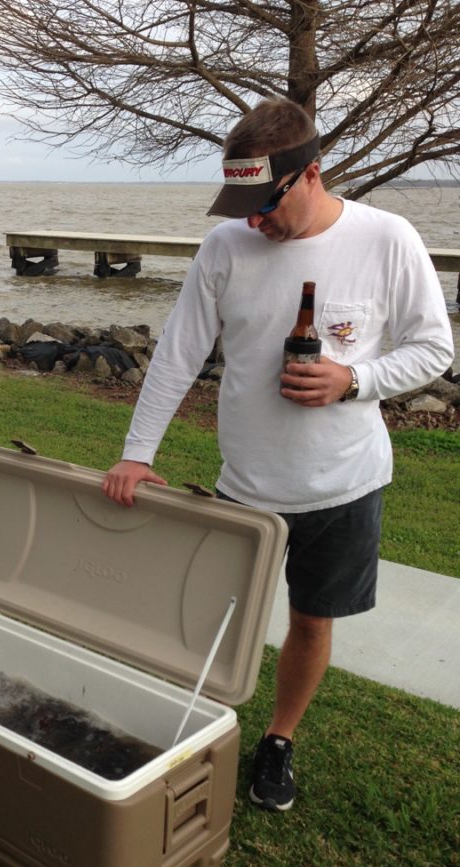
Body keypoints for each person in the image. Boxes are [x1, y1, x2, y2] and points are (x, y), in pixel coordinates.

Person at [103, 98, 454, 812]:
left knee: (311, 619)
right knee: (211, 617)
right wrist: (137, 452)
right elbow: (177, 356)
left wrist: (354, 380)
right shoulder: (226, 247)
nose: (253, 220)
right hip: (246, 485)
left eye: (266, 204)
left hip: (344, 484)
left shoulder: (387, 238)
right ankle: (193, 726)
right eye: (242, 205)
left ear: (312, 174)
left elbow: (435, 348)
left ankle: (279, 740)